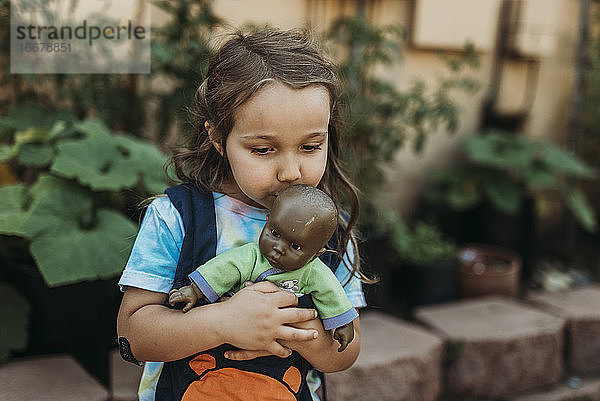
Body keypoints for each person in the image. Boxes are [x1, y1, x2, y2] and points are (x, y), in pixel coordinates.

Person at [116, 28, 370, 401]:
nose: (291, 171)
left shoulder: (332, 233)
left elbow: (346, 350)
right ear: (219, 138)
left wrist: (289, 329)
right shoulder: (176, 218)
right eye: (264, 149)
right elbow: (132, 335)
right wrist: (222, 323)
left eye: (310, 146)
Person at [168, 185, 356, 353]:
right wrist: (195, 290)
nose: (279, 248)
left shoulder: (314, 272)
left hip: (283, 350)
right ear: (267, 221)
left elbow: (332, 293)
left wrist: (342, 322)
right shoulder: (252, 255)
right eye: (274, 233)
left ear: (317, 253)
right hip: (234, 333)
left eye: (295, 247)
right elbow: (224, 268)